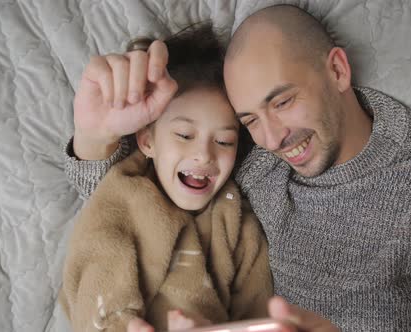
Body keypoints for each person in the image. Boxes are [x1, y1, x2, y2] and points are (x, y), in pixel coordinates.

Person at [63, 5, 411, 331]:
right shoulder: (258, 168)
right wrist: (94, 134)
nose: (273, 138)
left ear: (336, 71)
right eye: (250, 120)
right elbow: (134, 201)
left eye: (282, 101)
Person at [58, 24, 273, 332]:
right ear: (147, 141)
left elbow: (258, 313)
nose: (204, 155)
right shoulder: (122, 197)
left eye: (224, 141)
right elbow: (96, 276)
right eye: (185, 135)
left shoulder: (239, 224)